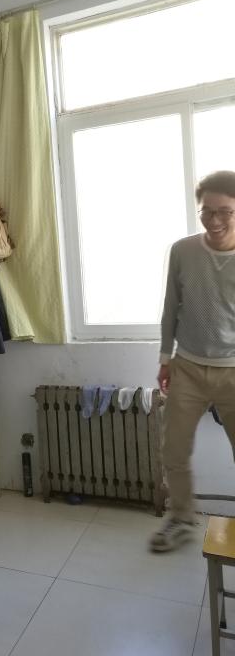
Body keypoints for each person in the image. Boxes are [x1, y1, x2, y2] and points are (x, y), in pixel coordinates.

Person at [150, 170, 235, 552]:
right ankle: (182, 517)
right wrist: (165, 358)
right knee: (173, 450)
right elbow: (171, 307)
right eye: (206, 212)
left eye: (224, 212)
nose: (214, 220)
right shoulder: (182, 251)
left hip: (233, 369)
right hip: (186, 366)